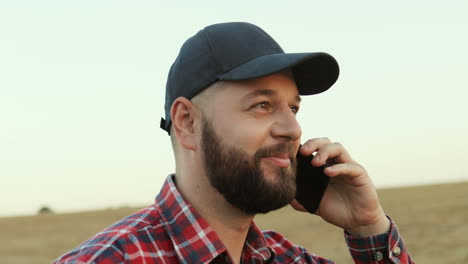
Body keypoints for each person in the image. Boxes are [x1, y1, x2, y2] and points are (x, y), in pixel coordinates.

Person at [53, 22, 414, 264]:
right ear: (187, 123)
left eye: (293, 107)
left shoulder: (287, 258)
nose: (293, 129)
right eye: (262, 105)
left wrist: (369, 227)